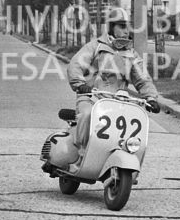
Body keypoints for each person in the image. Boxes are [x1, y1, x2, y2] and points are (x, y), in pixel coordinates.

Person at [66, 8, 160, 151]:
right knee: (86, 115)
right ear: (111, 27)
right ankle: (81, 151)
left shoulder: (130, 54)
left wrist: (151, 97)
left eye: (128, 27)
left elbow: (142, 78)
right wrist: (80, 84)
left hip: (119, 101)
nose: (126, 31)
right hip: (92, 97)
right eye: (122, 26)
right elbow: (76, 64)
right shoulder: (95, 46)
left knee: (132, 123)